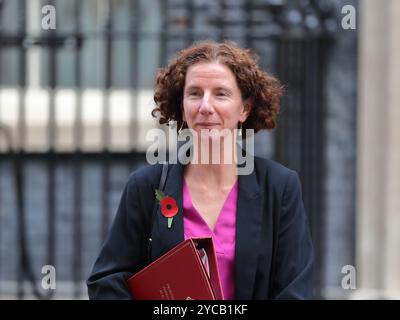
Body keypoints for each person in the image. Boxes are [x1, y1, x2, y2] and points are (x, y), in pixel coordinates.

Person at [87, 41, 314, 300]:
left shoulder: (280, 187)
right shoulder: (147, 186)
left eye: (221, 94)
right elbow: (105, 282)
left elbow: (296, 291)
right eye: (195, 93)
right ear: (182, 106)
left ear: (244, 108)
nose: (206, 106)